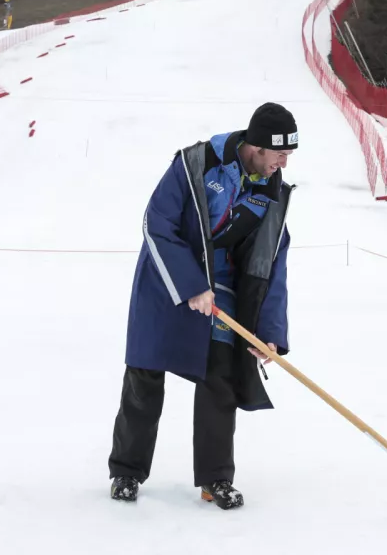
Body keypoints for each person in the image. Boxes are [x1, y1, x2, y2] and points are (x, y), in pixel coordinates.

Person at [108, 102, 298, 510]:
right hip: (166, 281)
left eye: (289, 154)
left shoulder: (272, 193)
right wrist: (191, 285)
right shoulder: (196, 163)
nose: (284, 162)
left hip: (222, 292)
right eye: (280, 153)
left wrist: (270, 334)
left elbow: (271, 265)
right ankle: (126, 470)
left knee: (220, 380)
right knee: (145, 375)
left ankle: (216, 479)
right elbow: (156, 223)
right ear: (256, 146)